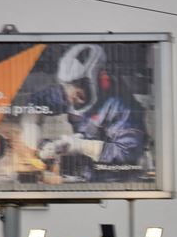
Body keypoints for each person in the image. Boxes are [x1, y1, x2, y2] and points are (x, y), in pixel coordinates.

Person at [25, 44, 147, 183]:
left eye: (77, 93)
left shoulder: (122, 106)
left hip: (116, 181)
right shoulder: (72, 91)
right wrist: (31, 129)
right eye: (67, 89)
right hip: (87, 175)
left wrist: (80, 146)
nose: (70, 98)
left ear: (99, 79)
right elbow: (35, 103)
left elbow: (128, 153)